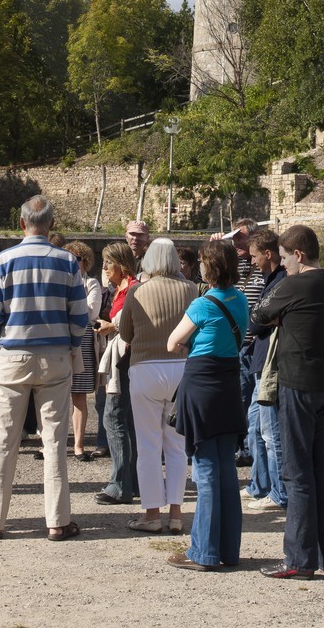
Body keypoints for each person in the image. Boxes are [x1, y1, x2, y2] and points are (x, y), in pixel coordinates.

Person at [0, 195, 89, 541]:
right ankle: (58, 521)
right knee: (54, 441)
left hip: (12, 355)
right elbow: (80, 316)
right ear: (51, 224)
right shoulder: (67, 262)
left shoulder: (4, 260)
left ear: (22, 223)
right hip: (55, 356)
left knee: (4, 440)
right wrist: (70, 346)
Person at [251, 224, 324, 579]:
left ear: (299, 255)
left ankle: (299, 559)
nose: (284, 264)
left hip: (298, 385)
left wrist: (280, 316)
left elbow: (256, 319)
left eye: (286, 257)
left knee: (297, 472)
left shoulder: (293, 285)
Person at [164, 239, 248, 571]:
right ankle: (228, 549)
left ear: (208, 267)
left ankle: (203, 552)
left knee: (206, 470)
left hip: (202, 383)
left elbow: (173, 342)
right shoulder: (240, 299)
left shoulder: (203, 304)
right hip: (229, 383)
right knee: (225, 468)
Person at [117, 238, 198, 533]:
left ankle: (151, 513)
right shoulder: (191, 290)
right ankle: (176, 514)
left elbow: (125, 333)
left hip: (146, 368)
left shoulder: (137, 291)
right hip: (182, 367)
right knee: (177, 445)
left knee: (148, 445)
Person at [242, 231, 288, 513]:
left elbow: (256, 323)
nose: (252, 261)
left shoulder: (280, 283)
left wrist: (260, 318)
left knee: (271, 432)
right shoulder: (270, 281)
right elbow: (257, 319)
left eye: (254, 256)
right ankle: (259, 485)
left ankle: (279, 492)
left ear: (268, 254)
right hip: (260, 360)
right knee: (255, 426)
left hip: (270, 363)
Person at [94, 242, 140, 504]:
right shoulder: (123, 288)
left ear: (121, 265)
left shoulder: (132, 288)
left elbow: (131, 323)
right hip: (123, 356)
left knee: (114, 418)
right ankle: (131, 482)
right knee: (124, 419)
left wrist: (111, 326)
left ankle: (120, 485)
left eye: (108, 263)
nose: (104, 268)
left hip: (124, 358)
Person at [231, 220, 265, 465]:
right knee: (242, 396)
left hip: (256, 342)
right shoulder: (237, 265)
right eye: (233, 237)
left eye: (240, 237)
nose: (236, 242)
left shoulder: (263, 269)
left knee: (256, 397)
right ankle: (243, 446)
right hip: (240, 344)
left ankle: (253, 446)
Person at [65, 240, 102, 459]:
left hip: (83, 339)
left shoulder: (92, 284)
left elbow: (90, 314)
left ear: (84, 261)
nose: (72, 262)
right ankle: (51, 444)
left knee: (78, 394)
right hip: (62, 338)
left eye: (76, 258)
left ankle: (78, 445)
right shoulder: (61, 281)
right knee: (55, 394)